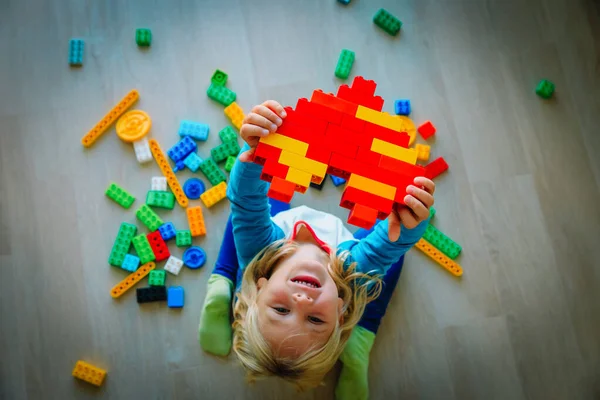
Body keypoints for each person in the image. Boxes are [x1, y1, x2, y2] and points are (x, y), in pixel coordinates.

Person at [198, 100, 435, 398]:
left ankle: (221, 284)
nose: (302, 301)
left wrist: (257, 153)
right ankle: (360, 340)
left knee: (244, 218)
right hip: (342, 258)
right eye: (315, 319)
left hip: (275, 237)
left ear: (260, 289)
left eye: (282, 309)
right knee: (391, 264)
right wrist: (410, 223)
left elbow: (245, 202)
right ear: (338, 311)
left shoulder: (260, 254)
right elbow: (386, 248)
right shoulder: (351, 275)